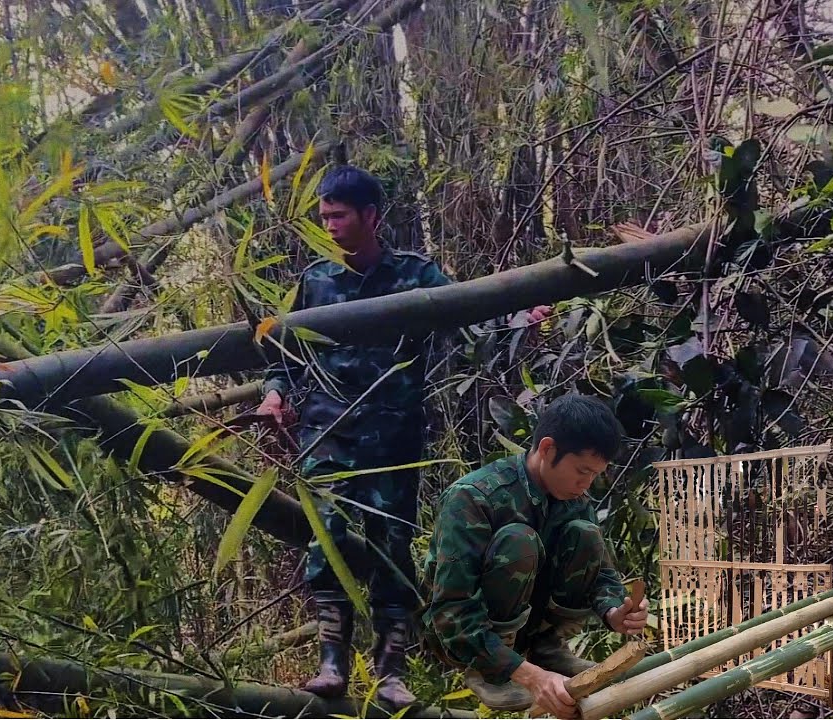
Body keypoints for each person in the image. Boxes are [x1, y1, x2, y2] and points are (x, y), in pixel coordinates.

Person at [241, 165, 450, 710]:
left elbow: (476, 317)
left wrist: (523, 313)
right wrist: (274, 395)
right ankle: (331, 663)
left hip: (394, 436)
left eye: (338, 216)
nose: (329, 226)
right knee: (325, 540)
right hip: (327, 432)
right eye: (324, 217)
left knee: (392, 547)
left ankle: (391, 672)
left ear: (370, 216)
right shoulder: (315, 281)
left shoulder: (417, 275)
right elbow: (285, 356)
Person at [419, 393, 649, 718]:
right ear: (547, 449)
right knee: (519, 540)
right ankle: (490, 668)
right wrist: (530, 677)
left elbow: (600, 573)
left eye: (595, 475)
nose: (586, 484)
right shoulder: (472, 498)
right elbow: (451, 610)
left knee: (585, 533)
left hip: (532, 623)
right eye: (581, 471)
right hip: (463, 636)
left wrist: (614, 611)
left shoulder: (572, 497)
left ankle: (547, 648)